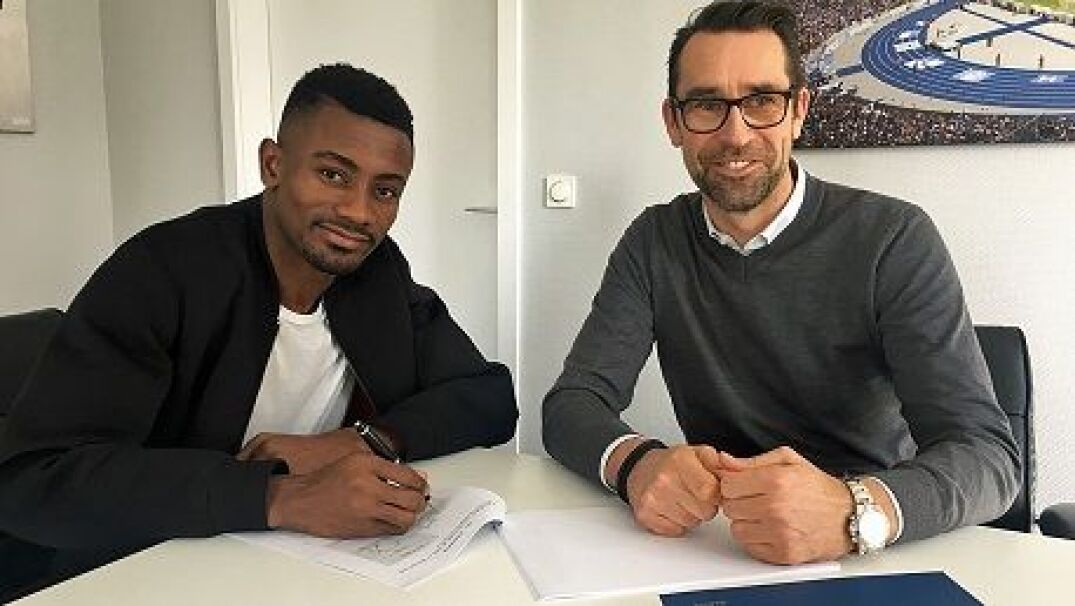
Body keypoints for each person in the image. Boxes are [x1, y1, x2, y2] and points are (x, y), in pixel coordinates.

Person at [542, 1, 1019, 565]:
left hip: (872, 548)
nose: (735, 134)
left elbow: (988, 457)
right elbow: (572, 403)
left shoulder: (894, 237)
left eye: (762, 101)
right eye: (706, 105)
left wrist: (852, 511)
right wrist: (637, 464)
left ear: (798, 111)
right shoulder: (654, 240)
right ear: (673, 123)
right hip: (719, 548)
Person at [0, 64, 517, 573]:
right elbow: (36, 476)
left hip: (288, 565)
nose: (359, 213)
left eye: (384, 191)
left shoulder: (377, 272)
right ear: (273, 164)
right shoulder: (161, 270)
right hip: (146, 567)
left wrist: (361, 440)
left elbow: (488, 396)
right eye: (333, 175)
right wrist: (280, 495)